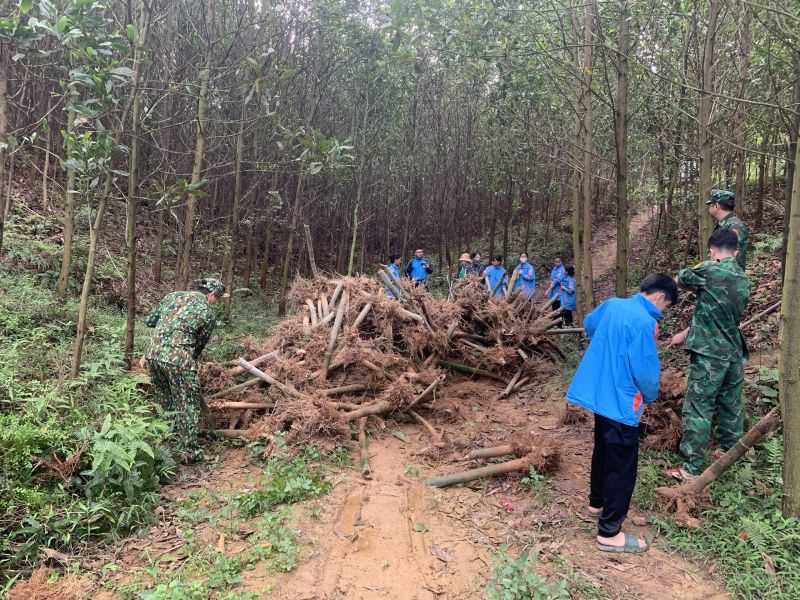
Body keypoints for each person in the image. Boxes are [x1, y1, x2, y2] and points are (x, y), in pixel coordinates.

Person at [566, 273, 677, 553]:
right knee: (622, 464)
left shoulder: (613, 304)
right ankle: (609, 532)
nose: (664, 312)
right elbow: (645, 370)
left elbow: (589, 325)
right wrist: (651, 395)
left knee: (603, 448)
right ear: (660, 296)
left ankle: (597, 502)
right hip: (622, 401)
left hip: (599, 394)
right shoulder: (645, 322)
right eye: (667, 306)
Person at [667, 229, 751, 481]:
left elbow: (679, 279)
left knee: (699, 406)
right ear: (736, 252)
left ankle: (691, 469)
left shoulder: (709, 270)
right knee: (731, 406)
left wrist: (705, 267)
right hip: (733, 352)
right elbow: (717, 310)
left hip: (709, 354)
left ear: (713, 251)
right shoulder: (743, 277)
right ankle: (733, 458)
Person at [145, 278, 225, 464]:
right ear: (212, 295)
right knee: (187, 405)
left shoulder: (172, 296)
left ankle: (169, 447)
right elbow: (198, 347)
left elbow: (150, 321)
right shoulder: (207, 313)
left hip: (152, 354)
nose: (215, 302)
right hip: (178, 359)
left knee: (166, 402)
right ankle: (191, 453)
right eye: (217, 299)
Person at [707, 189, 748, 270]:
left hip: (729, 278)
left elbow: (734, 257)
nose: (708, 208)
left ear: (716, 206)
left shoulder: (733, 225)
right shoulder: (726, 224)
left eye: (710, 205)